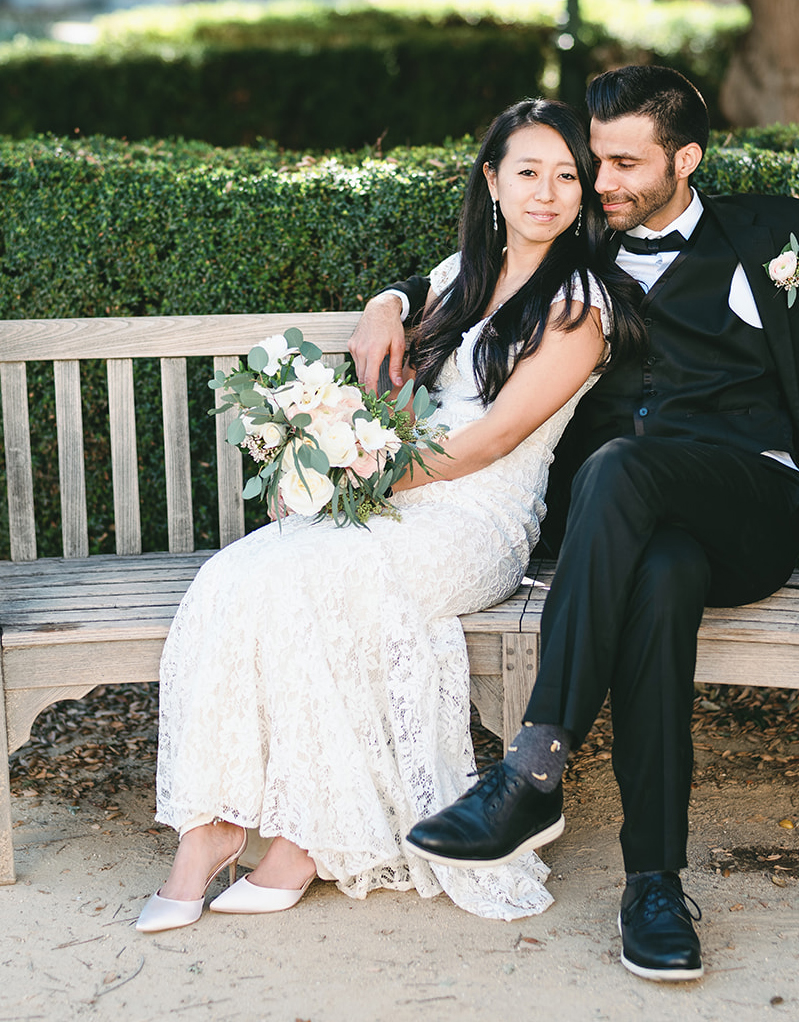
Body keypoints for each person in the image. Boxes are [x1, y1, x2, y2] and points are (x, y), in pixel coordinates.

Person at [348, 66, 799, 981]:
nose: (602, 181)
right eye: (596, 162)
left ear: (687, 159)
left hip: (752, 504)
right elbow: (477, 264)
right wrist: (389, 298)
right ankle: (654, 886)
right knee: (657, 577)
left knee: (621, 467)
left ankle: (532, 770)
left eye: (625, 163)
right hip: (628, 526)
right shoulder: (579, 234)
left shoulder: (775, 236)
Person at [136, 97, 643, 933]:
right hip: (395, 496)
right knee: (236, 577)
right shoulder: (459, 276)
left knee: (324, 583)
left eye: (566, 177)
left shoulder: (580, 304)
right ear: (491, 181)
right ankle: (213, 828)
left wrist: (365, 469)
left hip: (476, 518)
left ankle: (300, 840)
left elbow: (492, 440)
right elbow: (404, 332)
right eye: (527, 172)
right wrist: (381, 315)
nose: (546, 193)